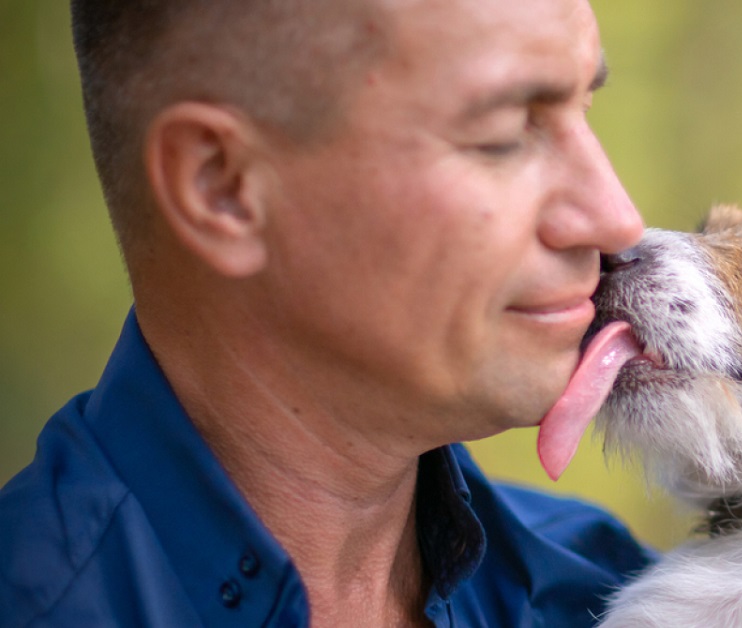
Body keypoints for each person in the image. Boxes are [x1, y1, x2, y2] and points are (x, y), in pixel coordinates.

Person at [0, 0, 655, 626]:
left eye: (584, 108)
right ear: (221, 184)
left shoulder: (617, 597)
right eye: (504, 135)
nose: (618, 220)